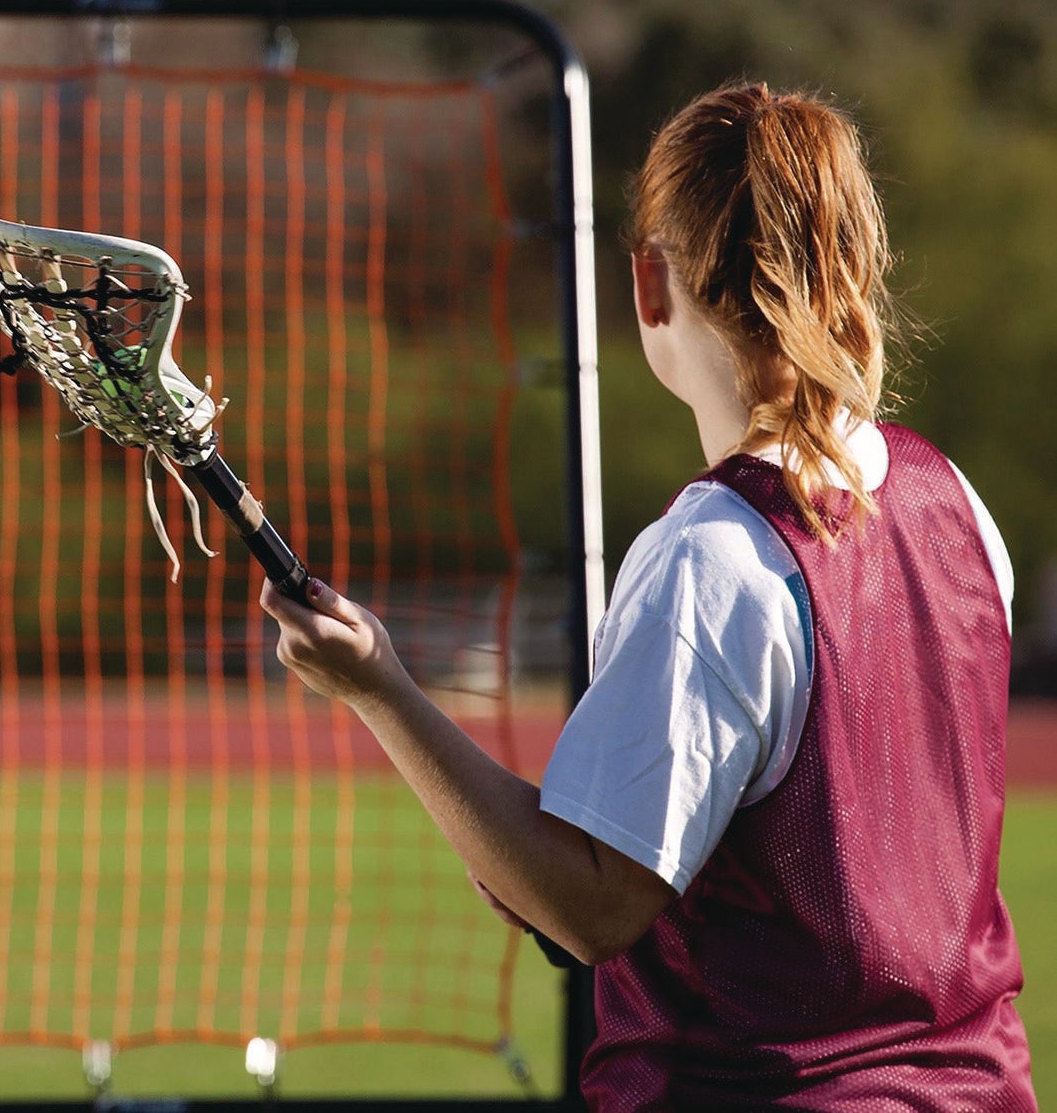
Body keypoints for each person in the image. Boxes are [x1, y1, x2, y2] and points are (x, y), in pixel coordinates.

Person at [260, 82, 1035, 1110]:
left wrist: (382, 694)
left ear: (648, 286)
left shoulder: (714, 556)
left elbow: (589, 905)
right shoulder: (957, 502)